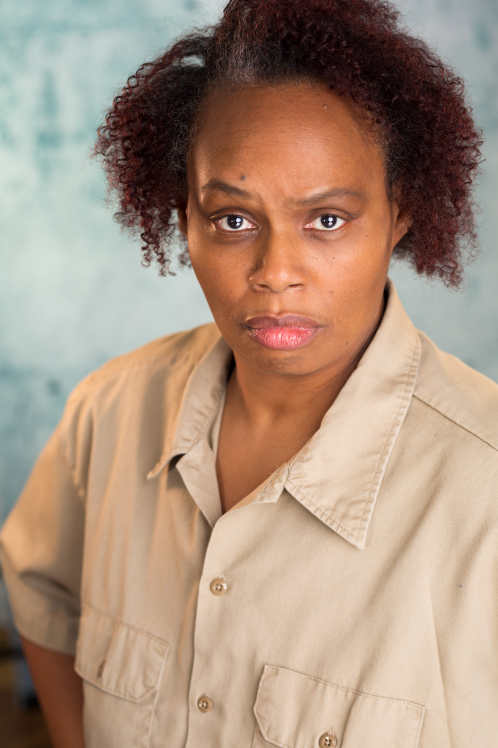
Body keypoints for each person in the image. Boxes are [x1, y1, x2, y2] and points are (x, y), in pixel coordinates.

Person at [0, 0, 494, 746]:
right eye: (233, 219)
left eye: (327, 219)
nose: (275, 272)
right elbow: (43, 601)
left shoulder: (482, 489)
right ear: (184, 220)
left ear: (400, 215)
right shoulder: (111, 410)